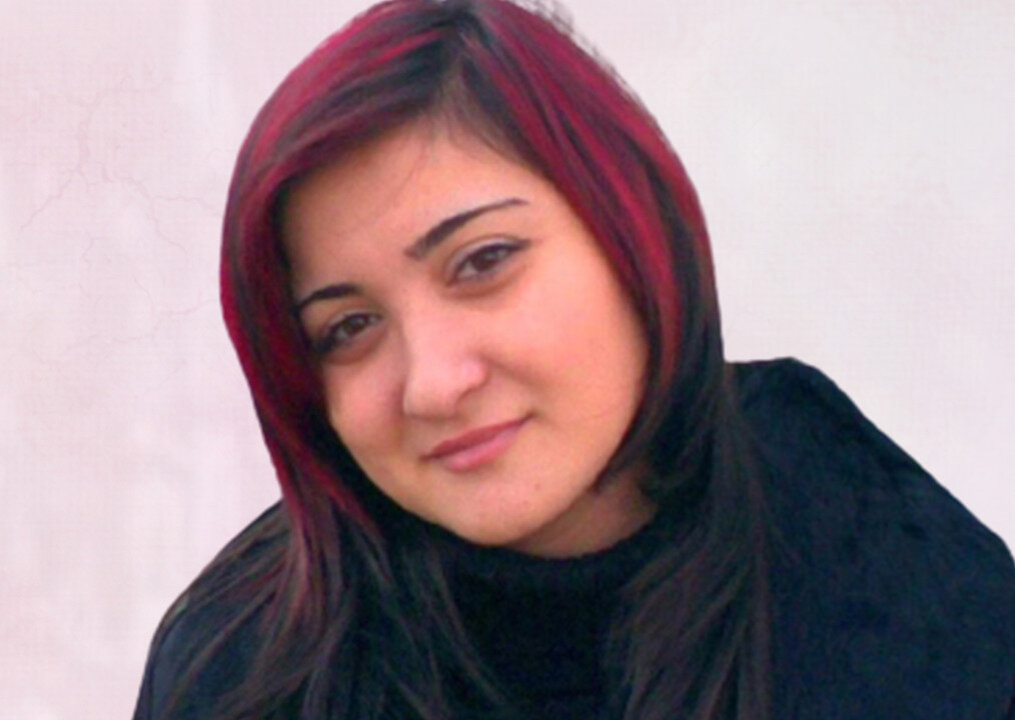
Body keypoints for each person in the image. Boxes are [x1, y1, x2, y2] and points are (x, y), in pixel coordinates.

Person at [132, 1, 1015, 718]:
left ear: (631, 232)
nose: (434, 384)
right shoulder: (246, 670)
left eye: (482, 261)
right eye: (348, 328)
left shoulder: (878, 560)